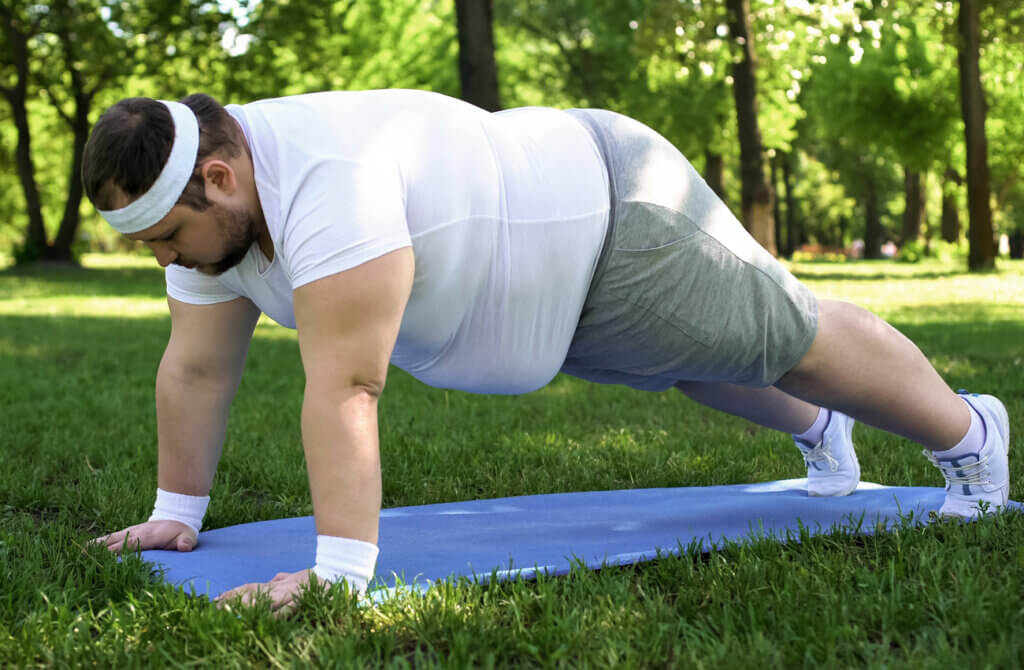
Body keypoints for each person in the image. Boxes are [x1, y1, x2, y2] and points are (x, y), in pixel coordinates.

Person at [82, 90, 1010, 613]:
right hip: (548, 297)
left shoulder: (328, 184)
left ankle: (971, 440)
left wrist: (340, 574)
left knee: (787, 338)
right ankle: (824, 436)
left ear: (219, 176)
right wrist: (176, 509)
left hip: (614, 220)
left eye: (165, 236)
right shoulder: (217, 215)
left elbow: (350, 387)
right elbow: (197, 367)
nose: (164, 261)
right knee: (697, 366)